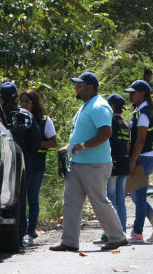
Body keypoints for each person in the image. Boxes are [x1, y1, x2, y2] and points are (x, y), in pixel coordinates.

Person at [50, 72, 127, 252]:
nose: (76, 88)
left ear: (90, 87)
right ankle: (69, 241)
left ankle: (118, 237)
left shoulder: (99, 106)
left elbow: (106, 132)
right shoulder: (86, 105)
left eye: (79, 85)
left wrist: (83, 146)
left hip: (95, 164)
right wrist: (68, 147)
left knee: (98, 201)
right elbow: (82, 133)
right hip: (77, 163)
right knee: (70, 201)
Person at [124, 79, 153, 243]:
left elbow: (140, 141)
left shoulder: (143, 113)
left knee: (139, 198)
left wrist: (133, 162)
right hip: (141, 158)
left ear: (142, 94)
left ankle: (137, 233)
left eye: (133, 93)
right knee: (137, 197)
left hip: (142, 158)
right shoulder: (138, 111)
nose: (130, 95)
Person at [0, 82, 42, 247]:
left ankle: (2, 236)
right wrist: (26, 155)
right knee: (20, 200)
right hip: (22, 164)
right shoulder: (25, 115)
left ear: (0, 97)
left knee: (0, 198)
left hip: (1, 164)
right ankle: (18, 237)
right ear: (16, 97)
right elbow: (36, 140)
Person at [19, 89, 58, 245]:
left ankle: (30, 232)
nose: (23, 104)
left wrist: (35, 143)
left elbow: (53, 142)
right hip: (21, 165)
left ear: (34, 104)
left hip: (36, 165)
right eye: (21, 101)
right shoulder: (17, 119)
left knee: (32, 198)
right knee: (20, 199)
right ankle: (21, 230)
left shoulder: (44, 121)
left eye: (27, 101)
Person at [93, 93, 130, 244]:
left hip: (113, 163)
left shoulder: (109, 121)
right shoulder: (125, 122)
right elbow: (128, 145)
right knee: (120, 199)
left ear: (112, 106)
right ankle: (122, 231)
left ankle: (110, 233)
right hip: (124, 163)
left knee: (111, 198)